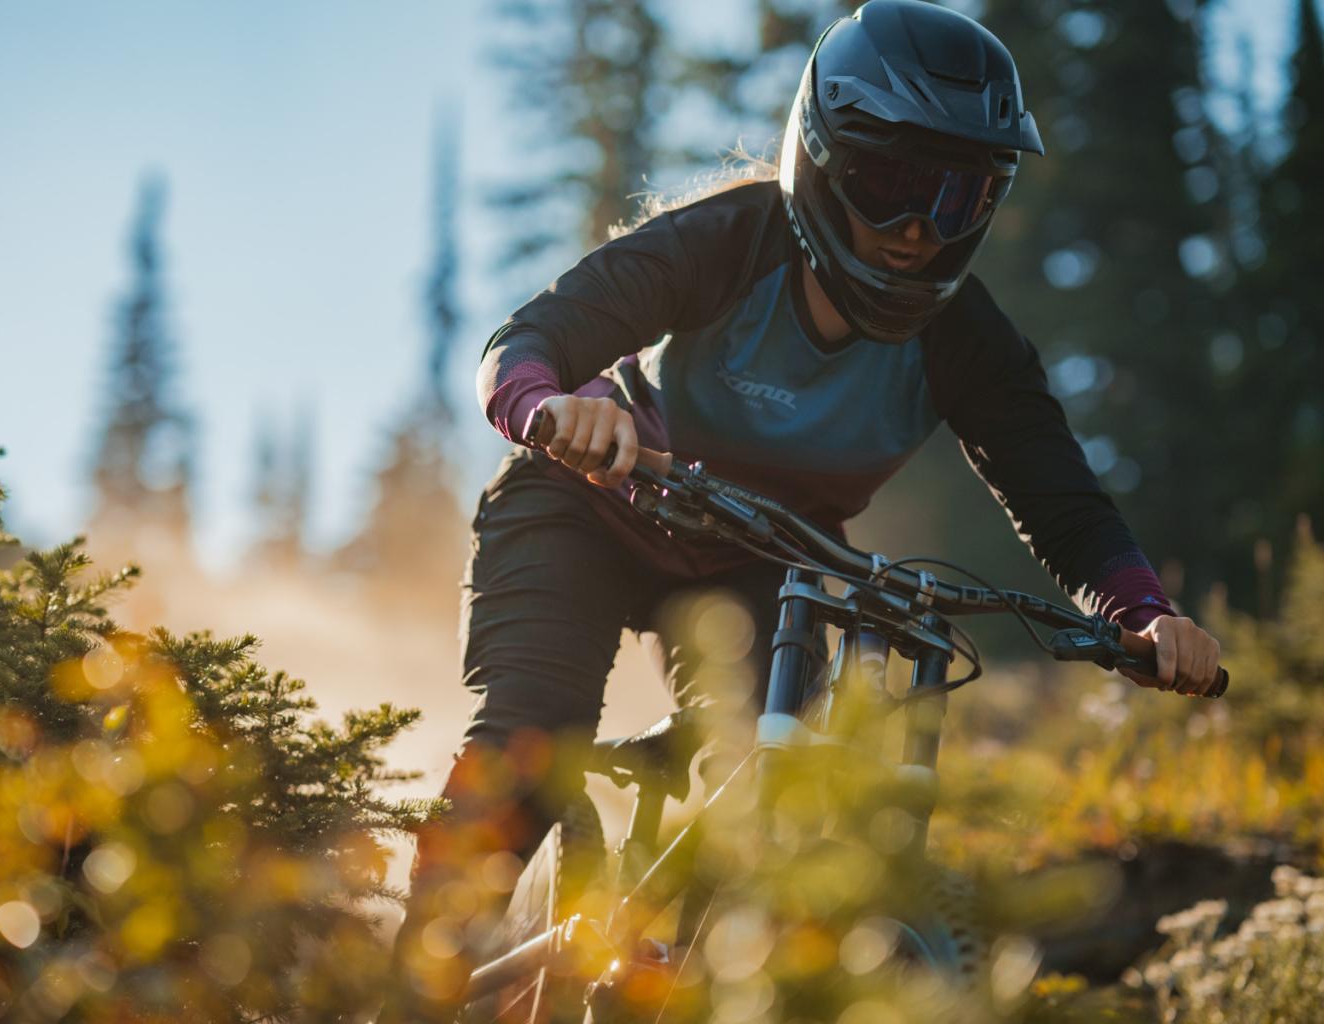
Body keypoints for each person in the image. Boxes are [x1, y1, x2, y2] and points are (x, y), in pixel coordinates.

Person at [380, 0, 1222, 1018]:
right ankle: (399, 996)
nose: (919, 229)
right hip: (587, 508)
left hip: (761, 559)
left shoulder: (967, 340)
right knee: (532, 739)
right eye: (891, 184)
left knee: (773, 780)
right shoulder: (730, 242)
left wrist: (1140, 610)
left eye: (960, 199)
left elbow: (1067, 506)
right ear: (821, 158)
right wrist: (556, 405)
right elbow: (532, 337)